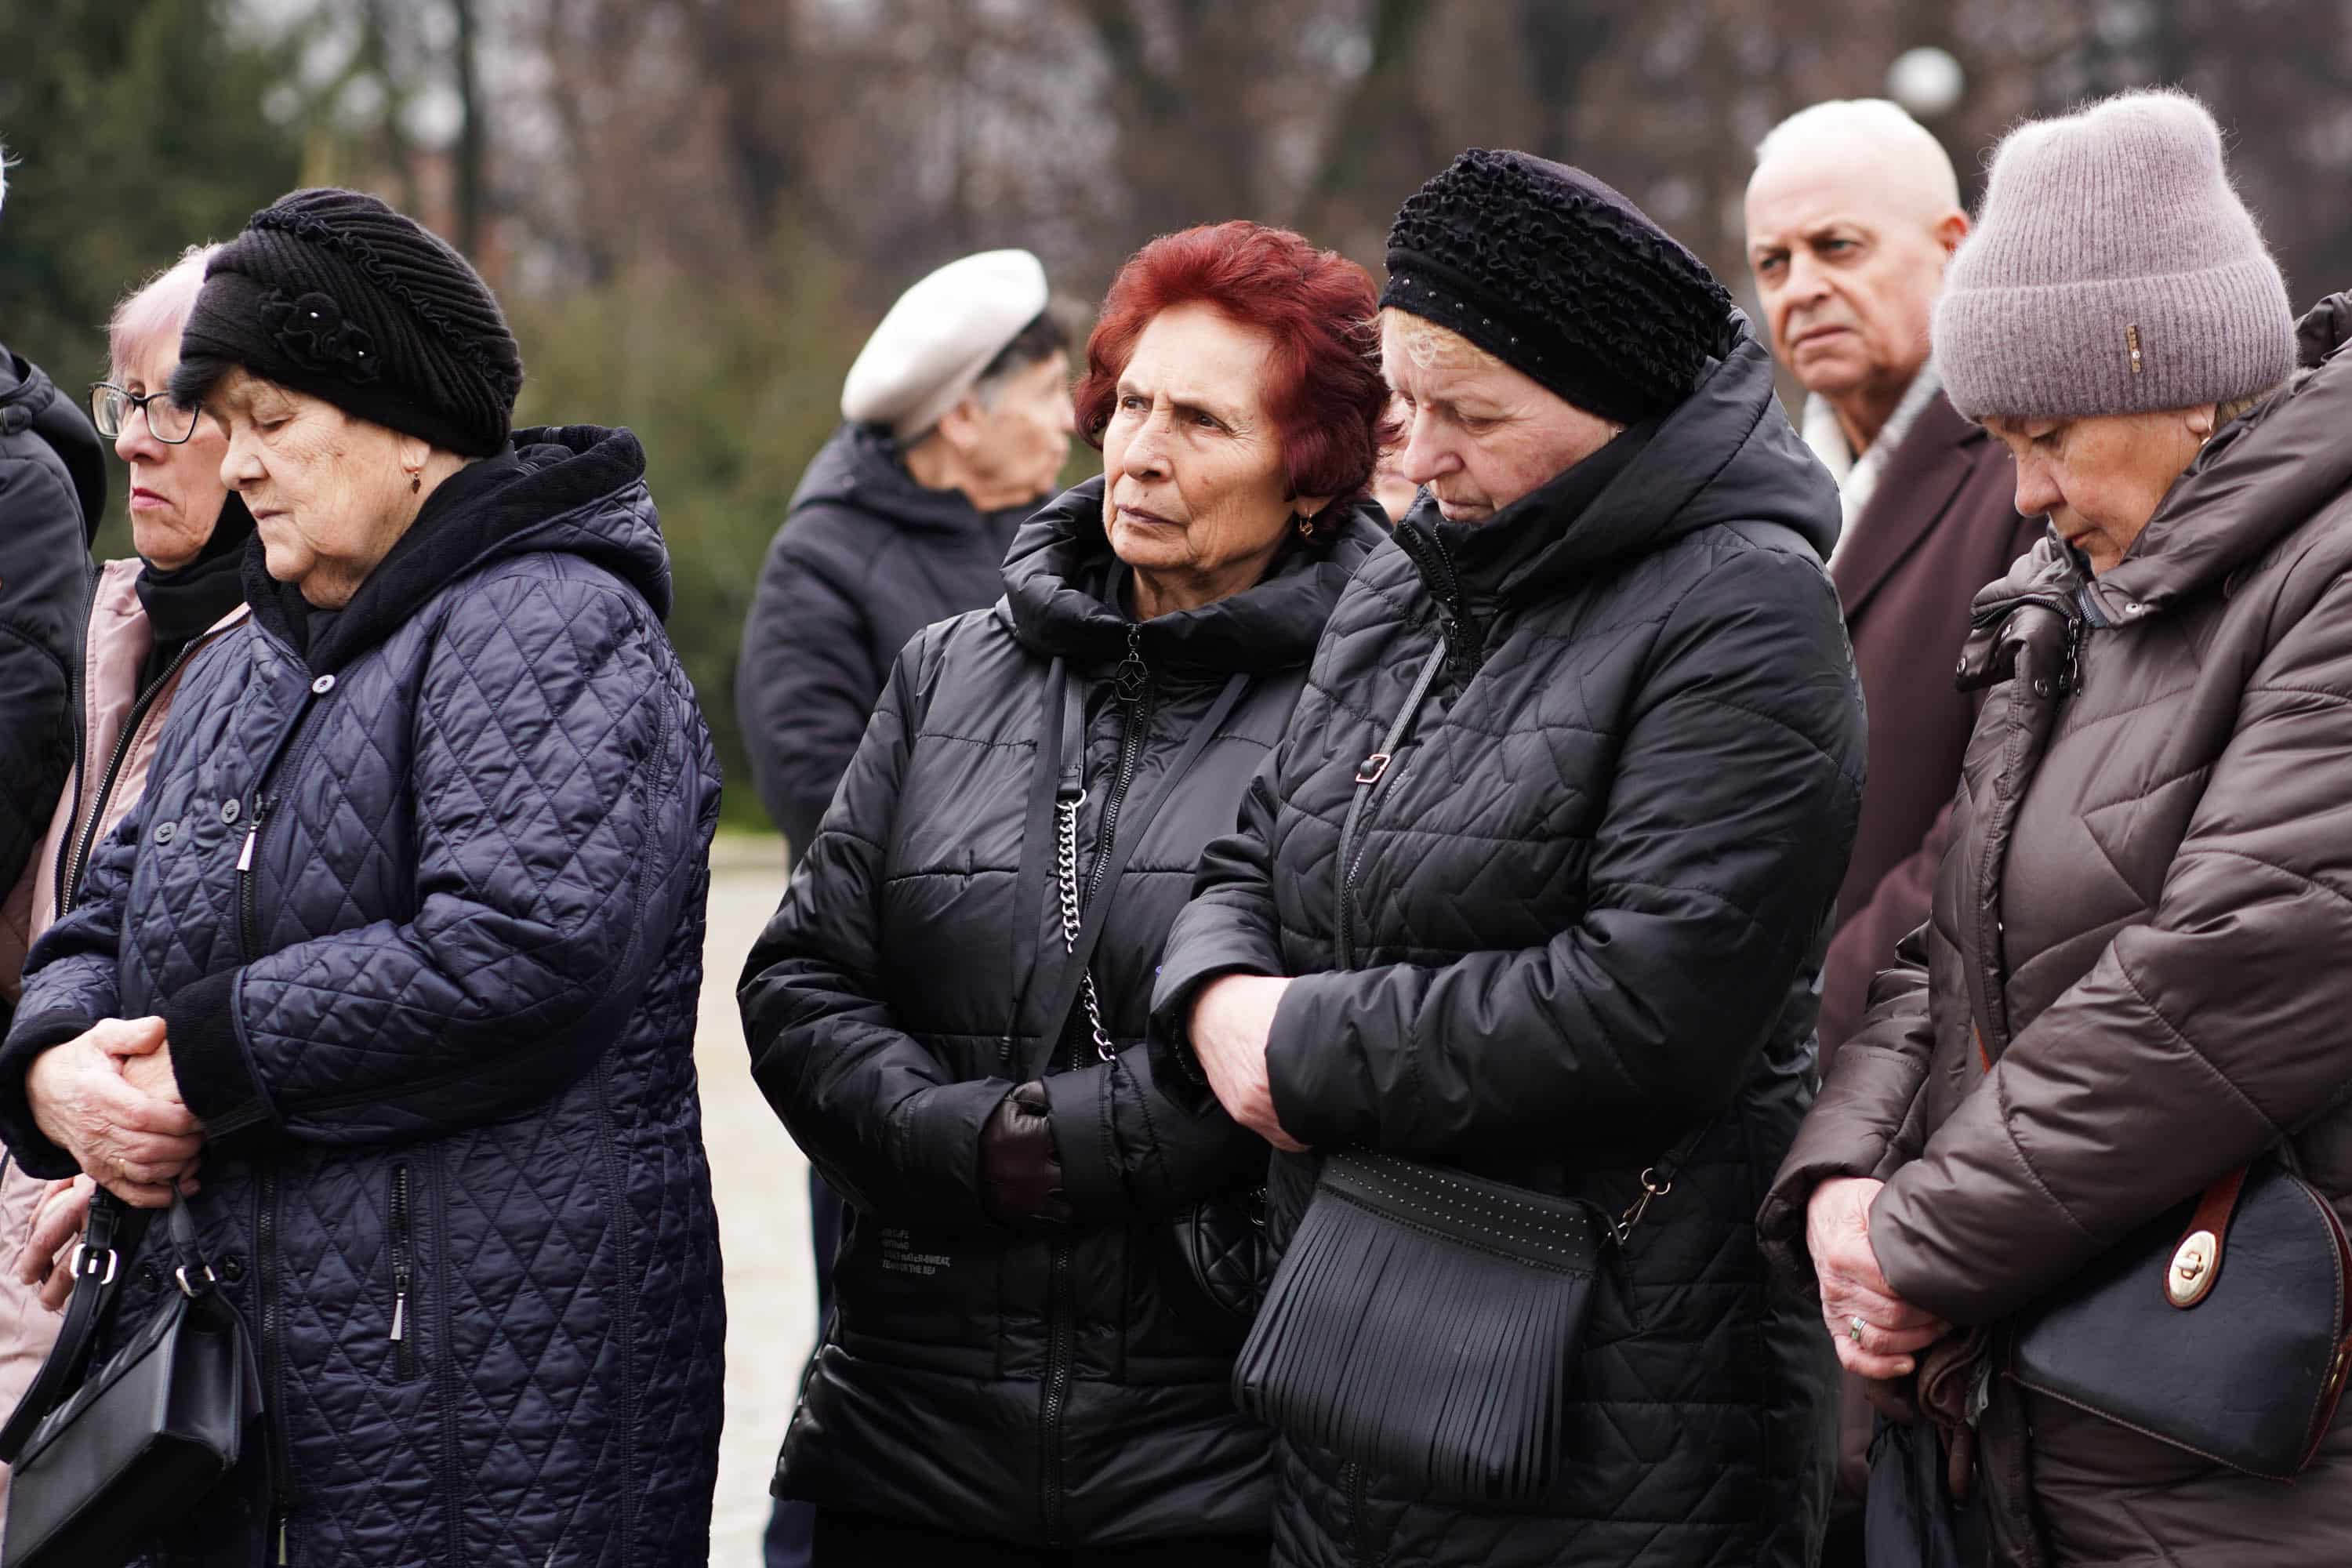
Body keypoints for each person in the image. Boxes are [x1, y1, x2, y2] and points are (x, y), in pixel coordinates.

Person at [1152, 149, 1864, 1566]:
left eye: (1467, 414)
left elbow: (1648, 1002)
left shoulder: (1745, 614)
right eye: (1405, 407)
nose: (1416, 457)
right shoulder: (1414, 578)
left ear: (1613, 413)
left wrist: (1298, 1047)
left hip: (1617, 1399)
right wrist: (1214, 994)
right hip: (1355, 1344)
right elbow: (1254, 849)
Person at [0, 187, 724, 1566]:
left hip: (486, 1421)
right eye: (229, 423)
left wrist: (197, 1064)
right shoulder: (262, 654)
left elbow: (523, 951)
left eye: (276, 423)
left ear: (411, 432)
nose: (241, 463)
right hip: (259, 1417)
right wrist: (58, 1074)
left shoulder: (552, 622)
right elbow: (108, 908)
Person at [738, 220, 1390, 1566]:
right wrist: (962, 1141)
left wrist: (1060, 1148)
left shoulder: (1378, 697)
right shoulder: (950, 672)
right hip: (910, 1441)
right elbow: (798, 985)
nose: (1140, 451)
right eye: (1131, 403)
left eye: (1204, 423)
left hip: (1216, 1460)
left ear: (1314, 479)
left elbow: (1340, 1023)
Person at [1759, 89, 2352, 1565]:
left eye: (2050, 437)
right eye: (2000, 441)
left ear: (2192, 386)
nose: (2028, 494)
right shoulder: (2064, 600)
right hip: (2045, 1408)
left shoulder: (2330, 582)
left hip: (2249, 1448)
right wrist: (1838, 1180)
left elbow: (2236, 967)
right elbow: (1941, 936)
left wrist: (1917, 1241)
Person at [732, 245, 1074, 1568]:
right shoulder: (820, 572)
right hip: (907, 1063)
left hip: (1054, 1058)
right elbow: (833, 830)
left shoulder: (1046, 540)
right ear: (963, 416)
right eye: (1047, 393)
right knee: (871, 1371)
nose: (1071, 421)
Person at [1742, 99, 2042, 1564]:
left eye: (1838, 247)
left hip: (1934, 1089)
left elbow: (1999, 802)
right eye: (1773, 259)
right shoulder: (1770, 498)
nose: (1801, 287)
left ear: (1956, 247)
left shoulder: (2024, 469)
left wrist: (1801, 1001)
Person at [0, 245, 254, 1511]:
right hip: (34, 1188)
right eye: (124, 402)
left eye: (176, 404)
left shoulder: (280, 660)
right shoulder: (101, 625)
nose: (139, 442)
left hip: (137, 1238)